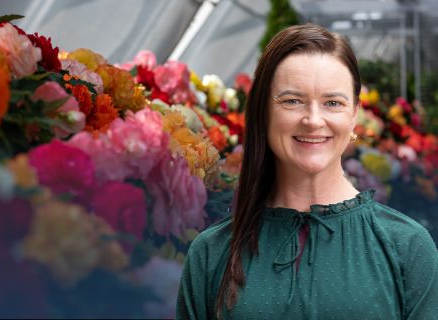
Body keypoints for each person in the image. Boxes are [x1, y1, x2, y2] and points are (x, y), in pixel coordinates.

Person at [176, 24, 438, 319]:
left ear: (353, 115)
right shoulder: (211, 252)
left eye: (332, 103)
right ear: (263, 111)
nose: (313, 120)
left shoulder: (407, 247)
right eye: (292, 101)